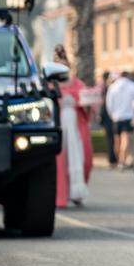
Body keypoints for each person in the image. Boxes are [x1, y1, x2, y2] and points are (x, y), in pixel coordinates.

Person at [53, 46, 92, 208]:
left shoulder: (77, 83)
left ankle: (76, 193)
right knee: (59, 161)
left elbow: (86, 101)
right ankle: (60, 196)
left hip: (76, 124)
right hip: (59, 124)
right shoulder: (50, 85)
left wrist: (83, 102)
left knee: (83, 158)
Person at [105, 70, 134, 167]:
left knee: (117, 140)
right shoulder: (132, 86)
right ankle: (122, 161)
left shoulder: (113, 87)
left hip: (116, 117)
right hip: (128, 117)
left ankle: (119, 159)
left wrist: (112, 115)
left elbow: (109, 104)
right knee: (125, 139)